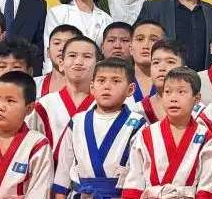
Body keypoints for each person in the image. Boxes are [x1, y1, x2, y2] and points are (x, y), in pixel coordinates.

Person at [52, 58, 148, 199]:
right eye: (101, 81)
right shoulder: (77, 121)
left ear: (130, 89)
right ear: (92, 88)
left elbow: (138, 173)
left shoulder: (138, 123)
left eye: (115, 81)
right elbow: (63, 169)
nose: (107, 86)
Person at [121, 68, 212, 199]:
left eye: (181, 92)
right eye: (167, 92)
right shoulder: (146, 134)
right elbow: (134, 179)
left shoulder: (204, 136)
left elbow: (207, 183)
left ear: (197, 98)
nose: (173, 98)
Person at [30, 36, 99, 161]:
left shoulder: (103, 105)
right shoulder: (44, 105)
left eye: (87, 56)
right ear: (61, 63)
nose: (78, 61)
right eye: (72, 56)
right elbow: (31, 148)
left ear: (98, 65)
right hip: (51, 176)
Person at [43, 0, 114, 72]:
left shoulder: (107, 19)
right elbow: (49, 52)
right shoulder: (58, 13)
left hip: (94, 78)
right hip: (63, 75)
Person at [139, 39, 187, 124]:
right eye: (156, 62)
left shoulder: (197, 111)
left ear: (184, 70)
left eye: (170, 62)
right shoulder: (138, 112)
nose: (161, 68)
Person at [38, 24, 82, 97]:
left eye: (68, 43)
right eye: (57, 43)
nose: (61, 48)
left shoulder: (90, 86)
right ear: (48, 52)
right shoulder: (34, 85)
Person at [129, 19, 166, 104]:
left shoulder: (173, 81)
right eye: (140, 39)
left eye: (153, 40)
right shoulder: (118, 81)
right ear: (130, 48)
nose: (146, 45)